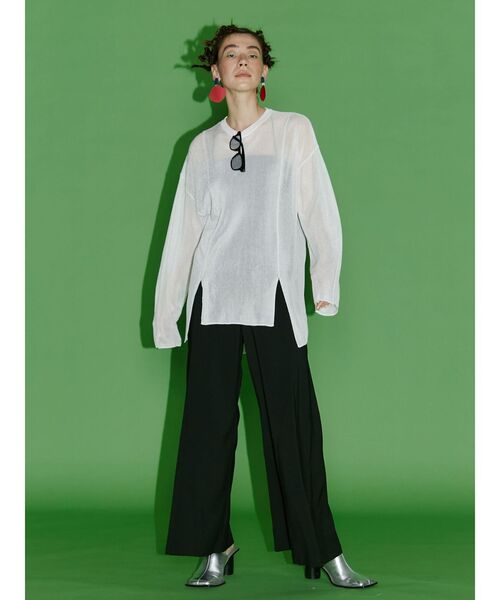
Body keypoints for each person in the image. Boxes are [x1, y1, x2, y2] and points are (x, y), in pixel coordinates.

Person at [153, 24, 378, 589]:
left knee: (294, 425)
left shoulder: (293, 131)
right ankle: (214, 545)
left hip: (271, 294)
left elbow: (319, 208)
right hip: (212, 299)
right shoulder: (201, 148)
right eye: (231, 54)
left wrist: (325, 282)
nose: (242, 61)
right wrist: (167, 312)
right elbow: (182, 233)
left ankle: (325, 550)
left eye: (252, 54)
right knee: (206, 429)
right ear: (215, 72)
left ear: (264, 70)